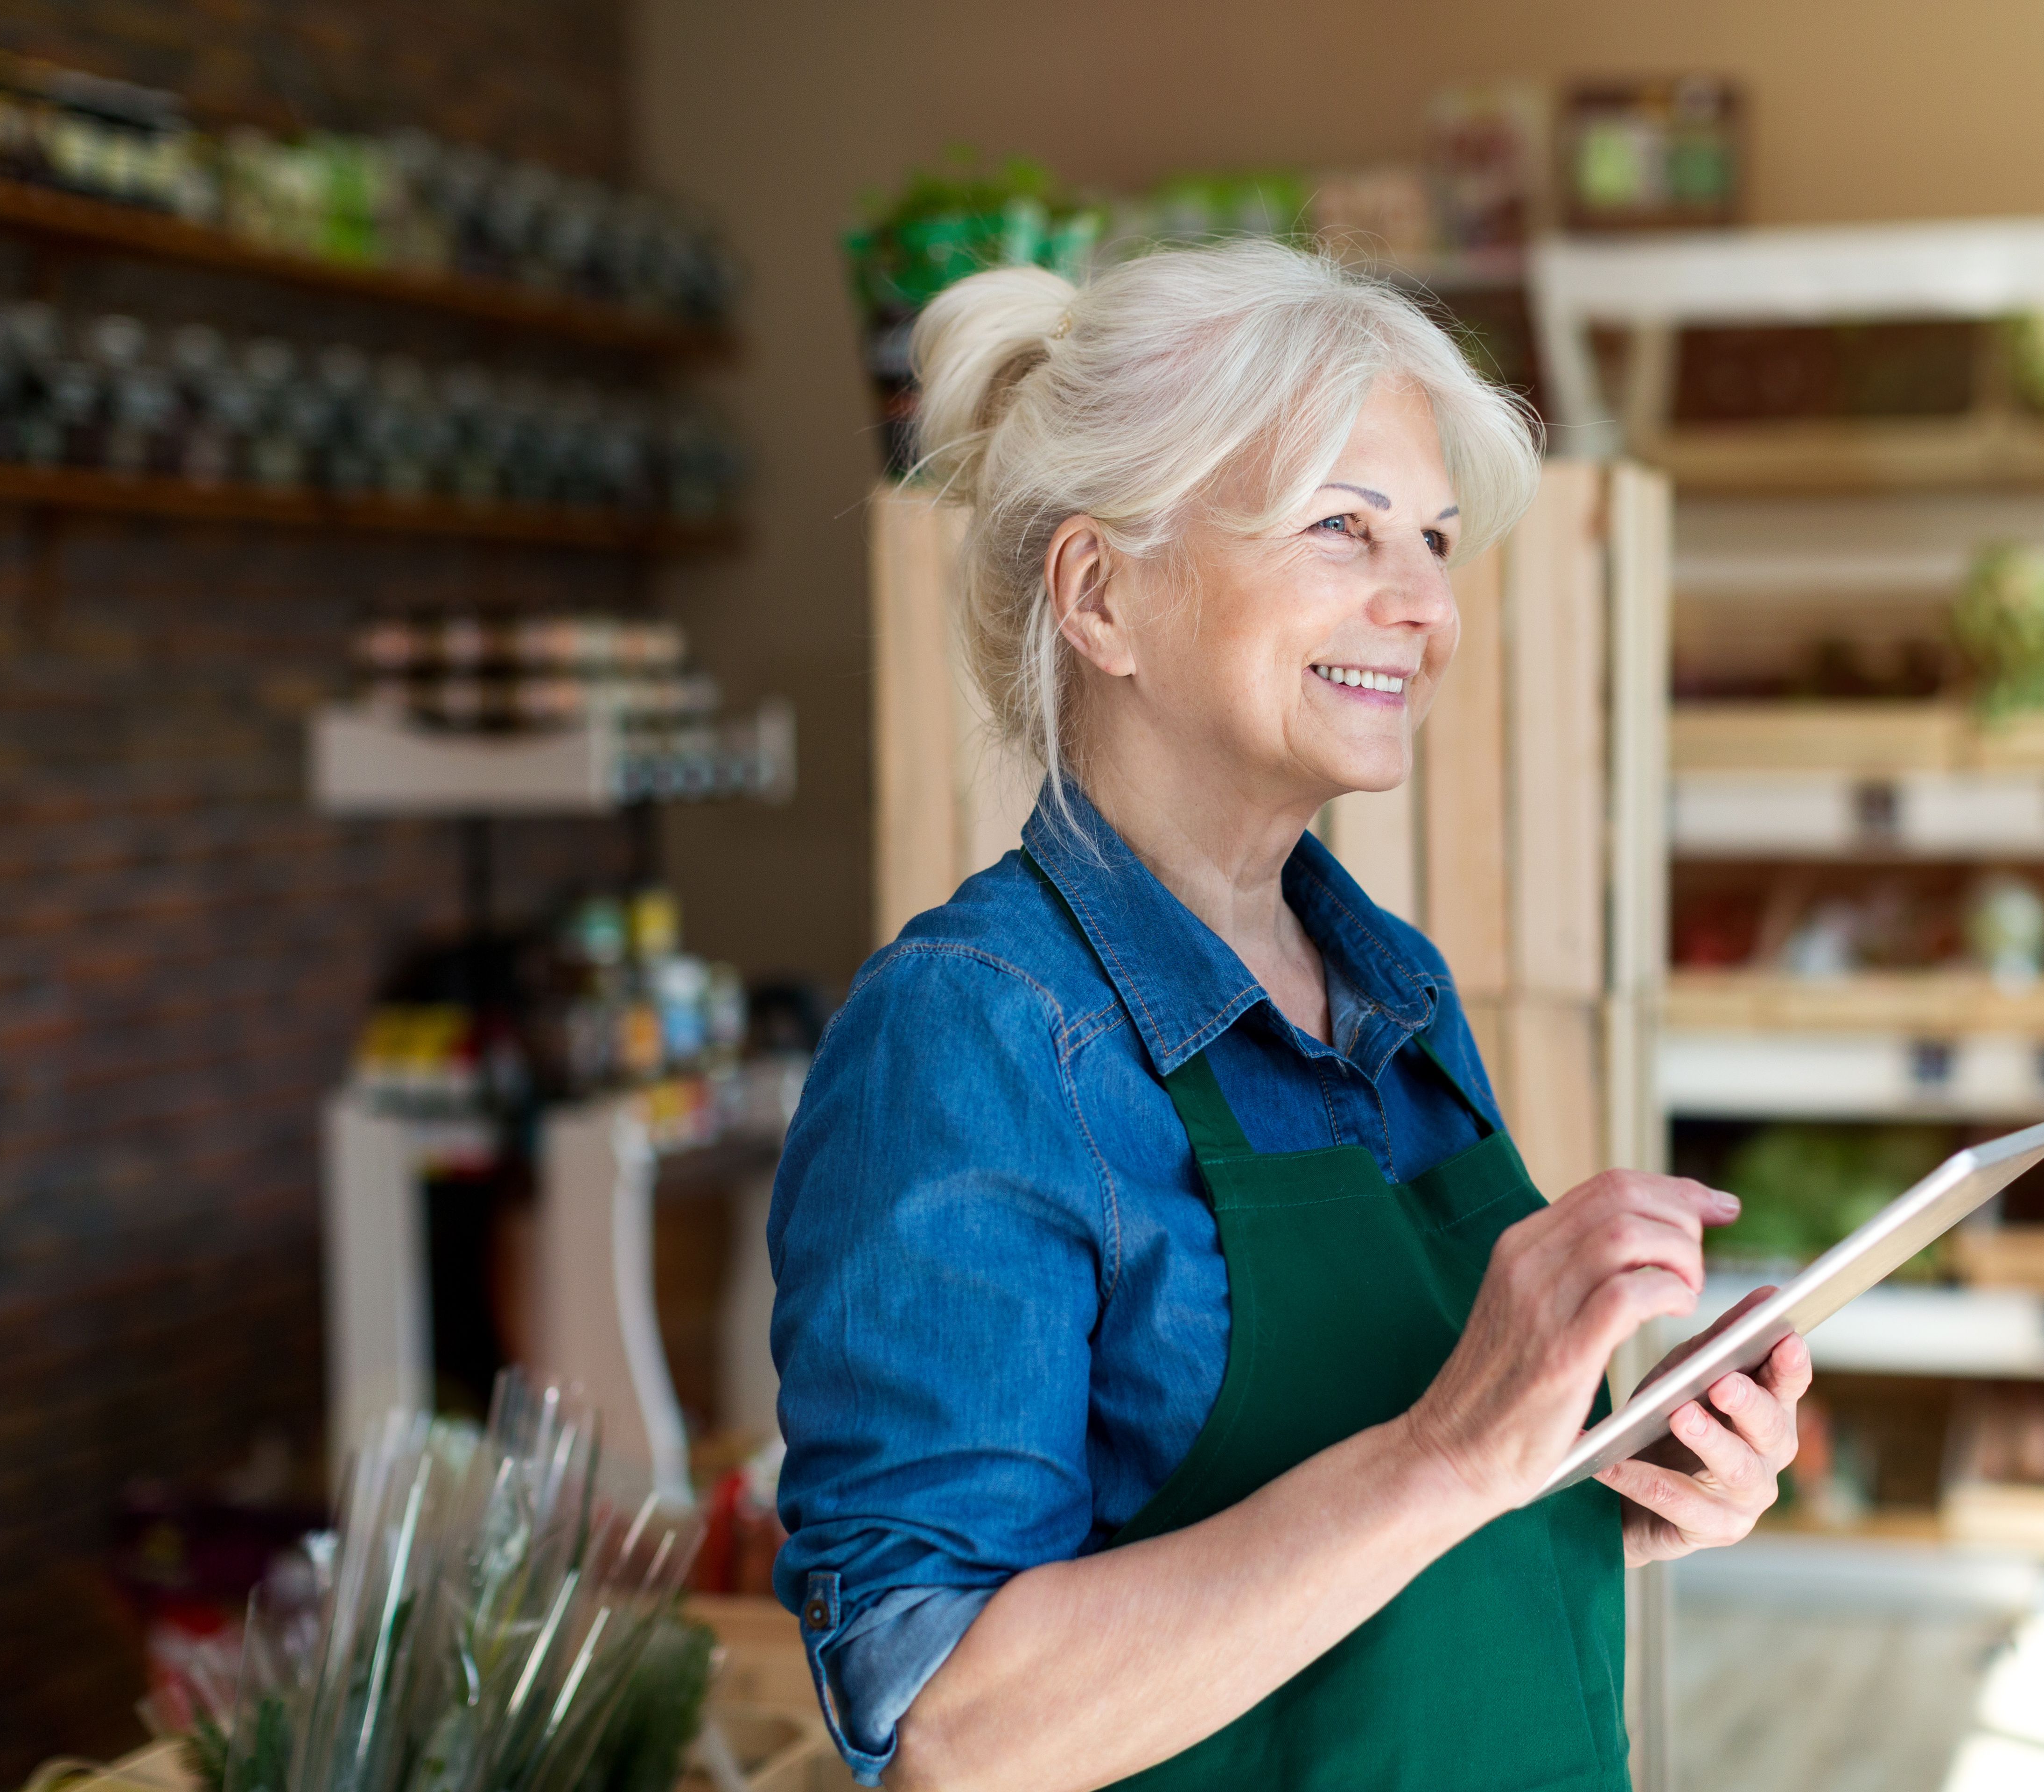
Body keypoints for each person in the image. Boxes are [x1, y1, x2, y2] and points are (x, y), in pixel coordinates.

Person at [767, 238, 1812, 1792]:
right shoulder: (972, 1037)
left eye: (1438, 542)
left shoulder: (1389, 982)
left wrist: (1604, 1487)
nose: (1424, 608)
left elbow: (1386, 1571)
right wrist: (1450, 1453)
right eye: (1344, 529)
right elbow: (951, 1730)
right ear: (1103, 593)